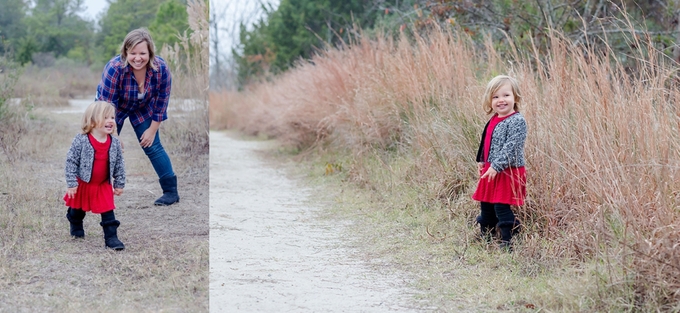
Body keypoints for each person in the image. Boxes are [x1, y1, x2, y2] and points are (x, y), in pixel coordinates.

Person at [96, 28, 180, 206]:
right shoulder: (114, 68)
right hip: (113, 107)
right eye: (132, 53)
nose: (137, 58)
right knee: (106, 146)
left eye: (142, 53)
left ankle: (171, 192)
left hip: (143, 106)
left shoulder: (161, 69)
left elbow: (162, 101)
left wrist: (152, 129)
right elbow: (107, 105)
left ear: (150, 52)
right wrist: (114, 135)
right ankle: (98, 190)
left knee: (153, 146)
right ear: (125, 52)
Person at [472, 75, 527, 250]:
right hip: (490, 168)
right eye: (495, 97)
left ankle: (508, 239)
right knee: (486, 203)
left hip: (508, 170)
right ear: (490, 100)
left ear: (515, 97)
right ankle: (486, 234)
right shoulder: (494, 118)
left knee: (501, 205)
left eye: (506, 95)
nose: (501, 100)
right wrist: (482, 160)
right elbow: (486, 140)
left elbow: (511, 147)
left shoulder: (517, 121)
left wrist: (496, 165)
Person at [64, 101, 126, 250]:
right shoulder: (81, 140)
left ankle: (111, 238)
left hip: (103, 184)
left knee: (108, 212)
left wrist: (119, 183)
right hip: (83, 183)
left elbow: (119, 164)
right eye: (105, 117)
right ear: (92, 121)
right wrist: (72, 183)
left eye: (112, 117)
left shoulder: (114, 143)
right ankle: (75, 224)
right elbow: (71, 161)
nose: (110, 120)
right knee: (77, 210)